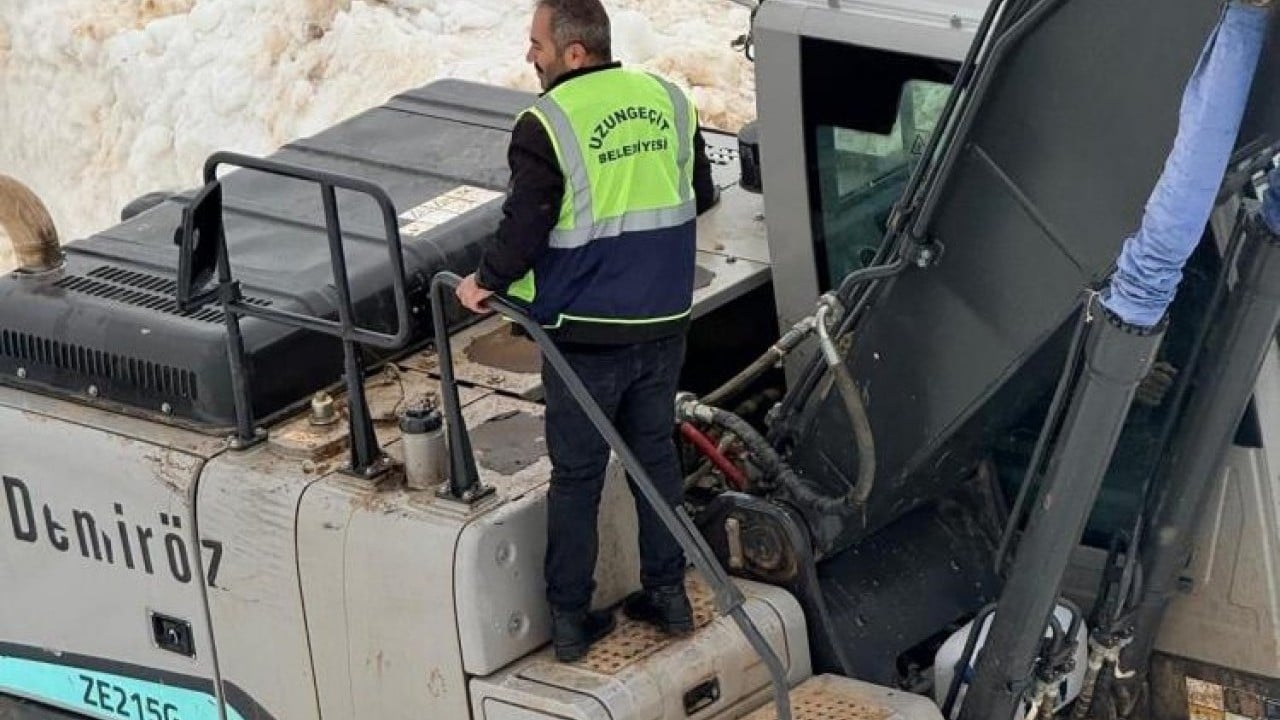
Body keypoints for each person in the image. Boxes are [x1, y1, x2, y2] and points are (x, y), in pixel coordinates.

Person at [455, 0, 720, 662]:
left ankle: (570, 621)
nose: (530, 55)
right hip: (663, 320)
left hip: (585, 333)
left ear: (575, 53)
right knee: (654, 454)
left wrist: (483, 281)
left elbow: (528, 222)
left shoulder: (546, 122)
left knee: (577, 475)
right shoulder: (671, 97)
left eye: (537, 43)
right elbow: (704, 192)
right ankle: (669, 595)